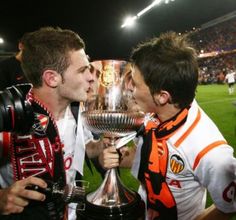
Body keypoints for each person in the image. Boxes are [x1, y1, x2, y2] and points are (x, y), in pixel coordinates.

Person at [100, 32, 236, 220]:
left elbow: (227, 208)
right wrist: (116, 156)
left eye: (136, 84)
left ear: (162, 96)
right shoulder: (152, 116)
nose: (130, 88)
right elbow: (145, 158)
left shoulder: (211, 153)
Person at [0, 26, 98, 220]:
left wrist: (102, 148)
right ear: (52, 78)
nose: (91, 77)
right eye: (82, 70)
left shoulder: (78, 110)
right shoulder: (8, 119)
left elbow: (85, 148)